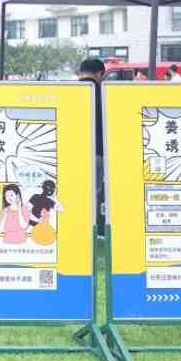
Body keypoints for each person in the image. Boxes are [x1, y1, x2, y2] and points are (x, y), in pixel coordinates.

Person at [78, 57, 106, 234]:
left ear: (80, 73)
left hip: (72, 151)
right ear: (100, 74)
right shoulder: (103, 93)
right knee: (94, 191)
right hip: (97, 151)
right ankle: (93, 228)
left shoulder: (67, 92)